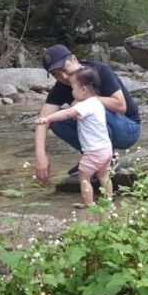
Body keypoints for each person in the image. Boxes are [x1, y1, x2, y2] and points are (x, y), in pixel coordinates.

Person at [35, 44, 141, 184]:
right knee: (55, 119)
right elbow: (43, 120)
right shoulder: (60, 88)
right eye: (56, 74)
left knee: (92, 109)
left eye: (64, 69)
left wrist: (87, 101)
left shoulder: (99, 71)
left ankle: (108, 160)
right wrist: (41, 157)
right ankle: (92, 158)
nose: (63, 76)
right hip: (104, 133)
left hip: (128, 129)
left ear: (74, 59)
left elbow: (121, 106)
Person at [35, 67, 113, 206]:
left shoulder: (84, 106)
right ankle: (108, 200)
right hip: (106, 149)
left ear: (83, 90)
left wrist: (47, 119)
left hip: (93, 152)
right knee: (103, 175)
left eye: (73, 88)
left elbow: (66, 114)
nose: (71, 91)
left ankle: (88, 205)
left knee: (84, 178)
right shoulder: (96, 103)